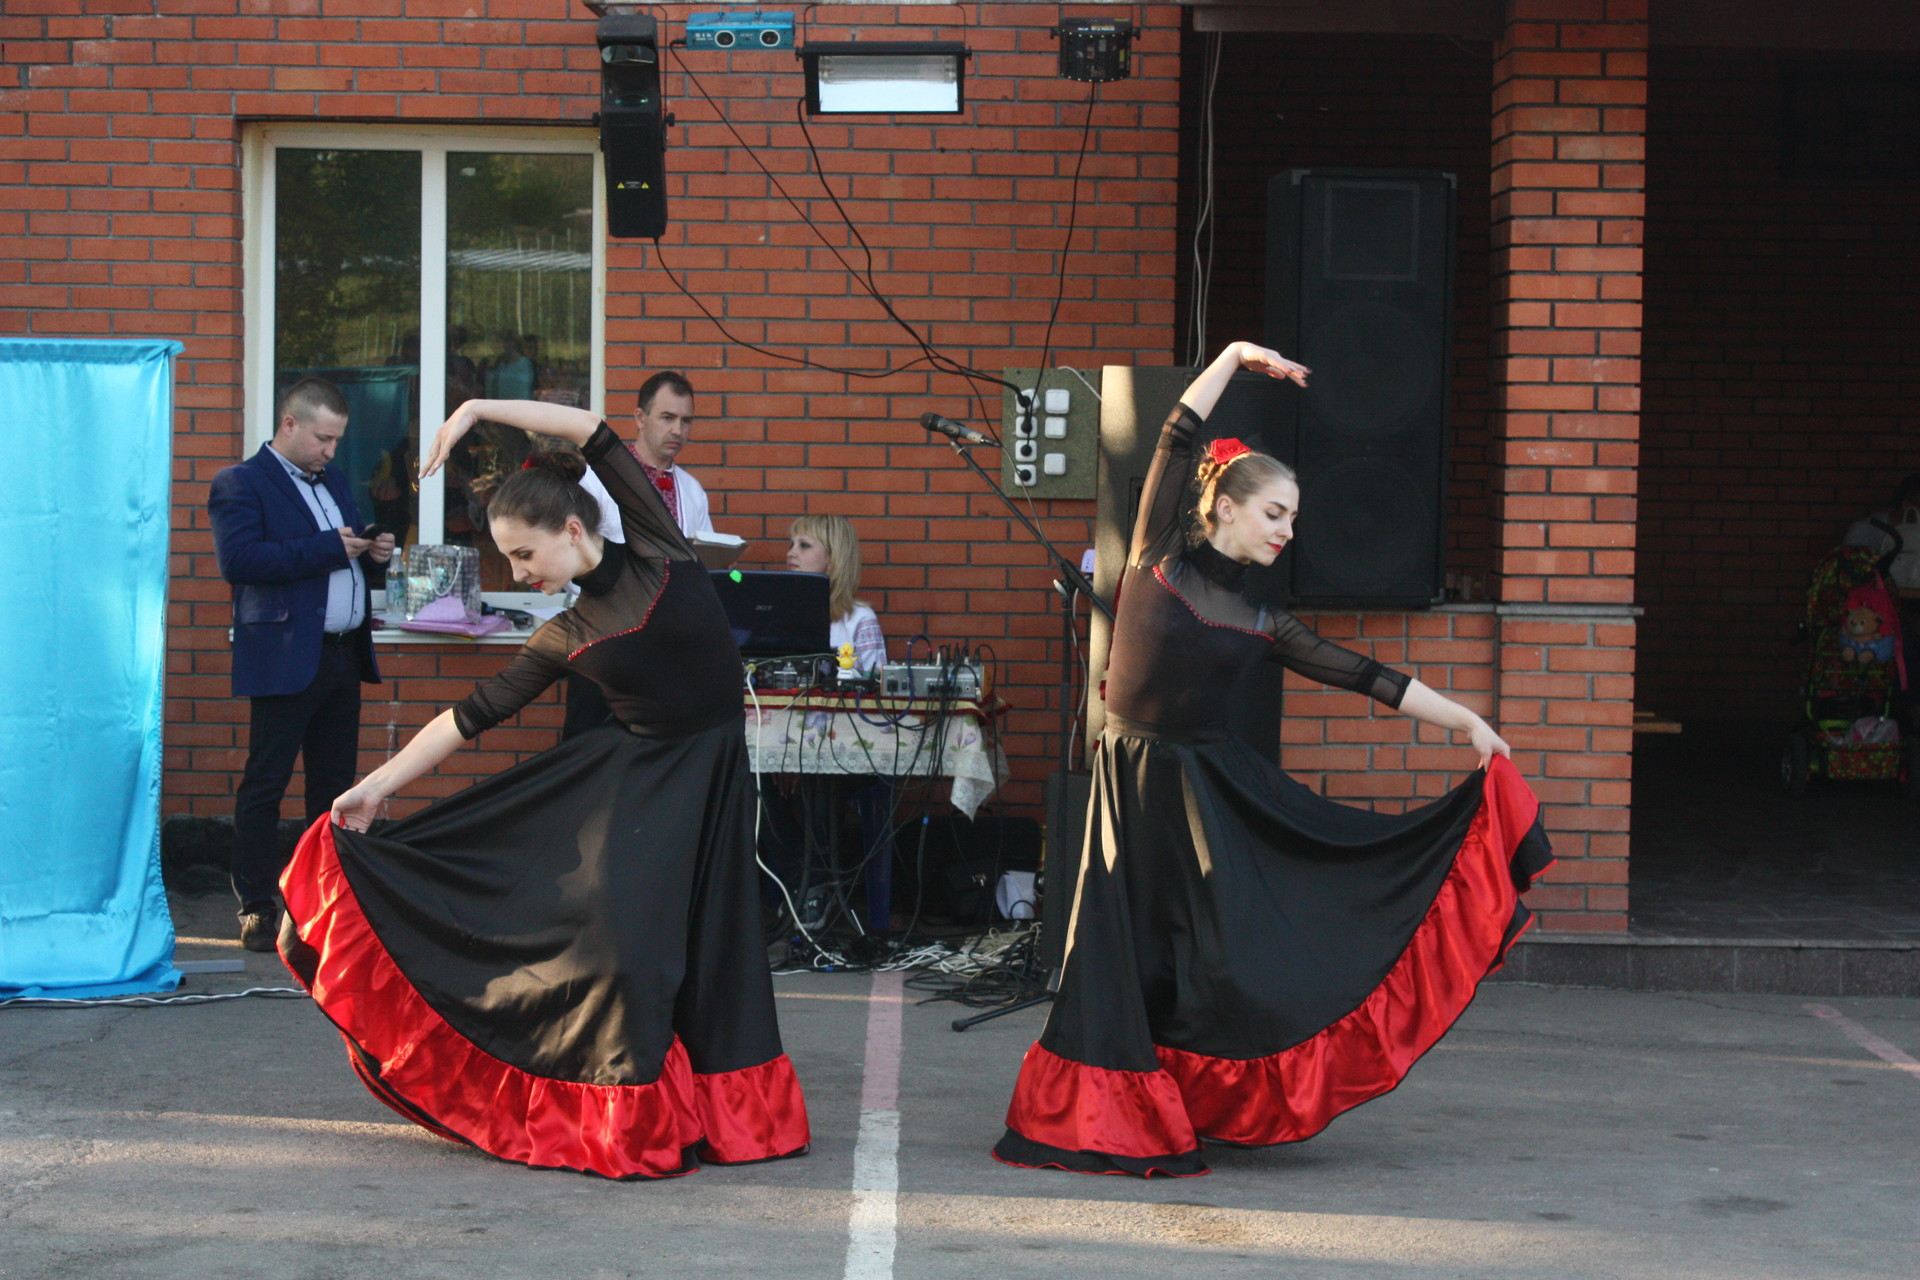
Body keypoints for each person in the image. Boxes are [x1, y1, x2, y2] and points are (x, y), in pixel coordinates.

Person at [993, 342, 1554, 1178]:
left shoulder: (1263, 622)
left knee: (1221, 952)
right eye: (1276, 514)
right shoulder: (1156, 556)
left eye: (1293, 519)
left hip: (1209, 798)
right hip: (1131, 788)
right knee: (1123, 953)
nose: (1289, 532)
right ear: (1225, 509)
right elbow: (1177, 433)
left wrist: (1469, 721)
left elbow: (1368, 677)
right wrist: (1233, 357)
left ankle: (1205, 1096)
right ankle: (1110, 1108)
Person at [273, 397, 810, 1180]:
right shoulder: (567, 633)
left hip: (711, 781)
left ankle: (723, 1117)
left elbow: (592, 431)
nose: (520, 575)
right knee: (624, 959)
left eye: (524, 555)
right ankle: (620, 1117)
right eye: (508, 561)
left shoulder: (658, 547)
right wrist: (376, 786)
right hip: (635, 793)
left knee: (715, 955)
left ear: (573, 529)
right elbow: (469, 716)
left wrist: (474, 408)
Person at [209, 377, 396, 952]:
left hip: (341, 654)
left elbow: (345, 559)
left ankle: (323, 901)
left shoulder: (332, 481)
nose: (331, 452)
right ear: (289, 425)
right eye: (323, 439)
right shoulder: (240, 482)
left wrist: (374, 555)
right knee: (266, 782)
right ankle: (257, 905)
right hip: (286, 656)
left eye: (337, 440)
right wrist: (331, 548)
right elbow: (239, 561)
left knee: (333, 787)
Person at [564, 371, 715, 738]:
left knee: (654, 750)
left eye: (686, 420)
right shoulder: (596, 480)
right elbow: (568, 556)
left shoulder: (692, 491)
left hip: (668, 650)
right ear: (640, 418)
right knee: (587, 746)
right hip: (603, 640)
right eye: (667, 417)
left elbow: (704, 569)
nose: (678, 430)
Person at [786, 513, 887, 675]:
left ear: (833, 557)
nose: (791, 553)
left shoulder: (860, 619)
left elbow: (874, 682)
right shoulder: (780, 610)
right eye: (791, 544)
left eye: (804, 545)